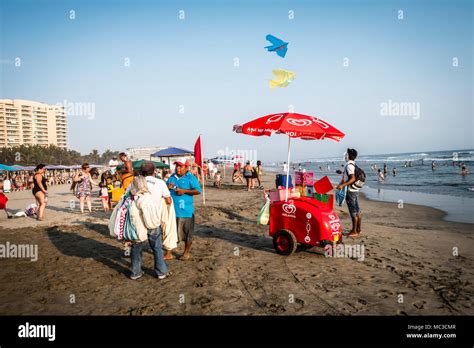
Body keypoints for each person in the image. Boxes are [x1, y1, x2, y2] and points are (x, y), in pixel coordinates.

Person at [130, 162, 173, 280]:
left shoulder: (135, 182)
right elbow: (168, 201)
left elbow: (128, 198)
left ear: (141, 171)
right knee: (156, 247)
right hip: (153, 218)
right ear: (154, 171)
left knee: (136, 246)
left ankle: (135, 272)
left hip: (138, 219)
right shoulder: (160, 183)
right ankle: (161, 272)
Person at [167, 160, 201, 260]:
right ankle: (168, 253)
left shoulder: (190, 177)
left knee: (187, 234)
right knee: (170, 233)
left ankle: (186, 253)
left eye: (180, 166)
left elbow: (198, 190)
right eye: (177, 166)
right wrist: (168, 187)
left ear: (186, 167)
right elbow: (165, 189)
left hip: (186, 211)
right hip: (172, 211)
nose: (178, 168)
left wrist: (184, 191)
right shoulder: (171, 177)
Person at [336, 148, 362, 237]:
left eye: (347, 154)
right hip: (355, 190)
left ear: (350, 156)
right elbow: (349, 176)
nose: (345, 155)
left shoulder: (349, 165)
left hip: (351, 191)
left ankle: (354, 231)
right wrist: (341, 174)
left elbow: (353, 178)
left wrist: (342, 185)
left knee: (353, 211)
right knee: (357, 210)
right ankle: (358, 229)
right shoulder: (353, 164)